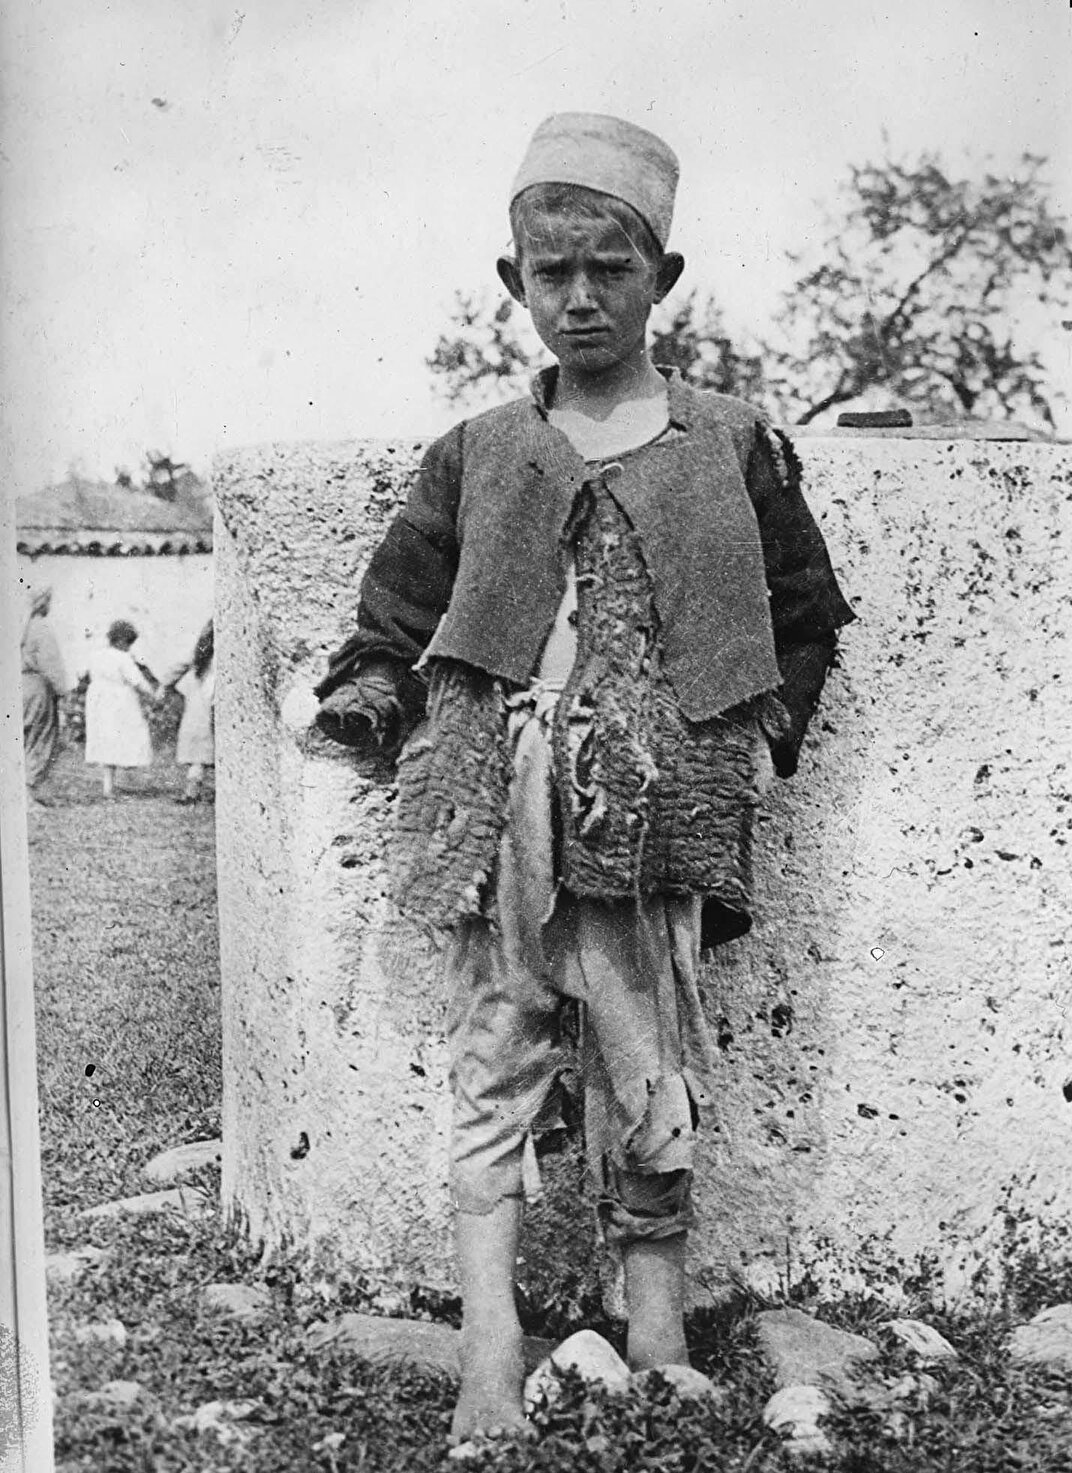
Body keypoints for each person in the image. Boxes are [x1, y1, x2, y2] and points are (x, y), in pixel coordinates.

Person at [313, 113, 855, 1446]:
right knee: (497, 1053)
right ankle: (493, 1343)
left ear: (664, 277)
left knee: (645, 1056)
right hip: (503, 807)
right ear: (514, 284)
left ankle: (656, 1326)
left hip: (661, 808)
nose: (581, 296)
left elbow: (804, 610)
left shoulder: (729, 443)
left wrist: (747, 738)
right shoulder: (481, 450)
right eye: (551, 273)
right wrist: (373, 695)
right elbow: (396, 612)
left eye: (610, 268)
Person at [84, 619, 157, 800]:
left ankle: (108, 786)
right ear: (122, 641)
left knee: (107, 740)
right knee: (121, 736)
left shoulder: (96, 655)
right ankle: (111, 786)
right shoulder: (122, 658)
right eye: (128, 643)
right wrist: (153, 694)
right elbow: (137, 681)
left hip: (98, 700)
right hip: (119, 702)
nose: (129, 647)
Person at [21, 586, 71, 802]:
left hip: (17, 684)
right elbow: (52, 665)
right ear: (44, 603)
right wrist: (63, 691)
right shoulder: (41, 628)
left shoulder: (20, 628)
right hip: (37, 687)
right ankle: (28, 793)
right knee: (39, 736)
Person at [159, 619, 215, 803]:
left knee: (198, 757)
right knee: (204, 755)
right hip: (212, 707)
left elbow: (178, 667)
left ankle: (192, 792)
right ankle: (194, 793)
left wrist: (165, 684)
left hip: (200, 709)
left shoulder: (201, 652)